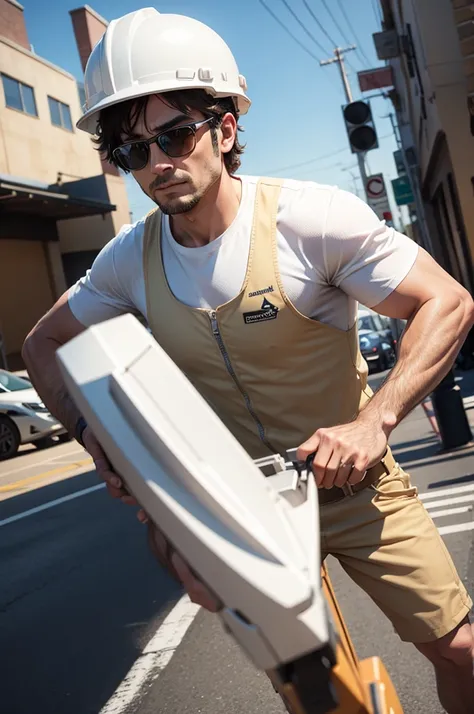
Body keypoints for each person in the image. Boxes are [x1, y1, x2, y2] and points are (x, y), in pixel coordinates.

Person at [22, 8, 473, 713]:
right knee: (319, 694)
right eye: (133, 150)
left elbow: (447, 302)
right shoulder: (126, 262)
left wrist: (374, 422)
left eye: (173, 136)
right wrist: (106, 451)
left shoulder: (309, 220)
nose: (157, 163)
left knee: (461, 650)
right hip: (244, 514)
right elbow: (41, 346)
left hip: (357, 486)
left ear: (225, 128)